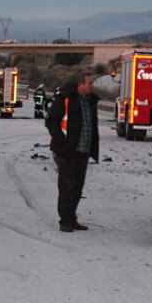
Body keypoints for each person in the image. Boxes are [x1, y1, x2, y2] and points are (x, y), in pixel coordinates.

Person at [45, 72, 99, 233]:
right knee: (67, 186)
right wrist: (61, 142)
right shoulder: (65, 99)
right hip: (66, 151)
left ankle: (72, 217)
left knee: (77, 187)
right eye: (90, 83)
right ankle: (65, 220)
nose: (92, 86)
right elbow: (51, 121)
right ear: (80, 85)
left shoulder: (90, 102)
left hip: (83, 151)